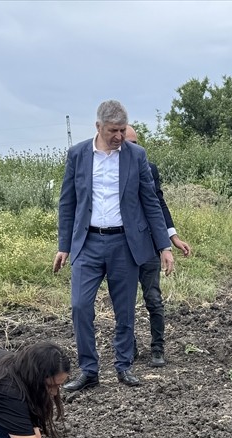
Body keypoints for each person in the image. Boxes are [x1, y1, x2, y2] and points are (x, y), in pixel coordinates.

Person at [54, 100, 174, 391]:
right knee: (80, 306)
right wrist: (64, 245)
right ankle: (89, 370)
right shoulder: (78, 155)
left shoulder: (136, 155)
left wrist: (164, 246)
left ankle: (123, 366)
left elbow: (151, 202)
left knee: (125, 310)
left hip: (125, 242)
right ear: (99, 127)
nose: (119, 136)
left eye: (122, 130)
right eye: (113, 131)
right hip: (88, 242)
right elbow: (67, 202)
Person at [124, 125, 192, 368]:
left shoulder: (148, 169)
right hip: (121, 248)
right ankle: (127, 347)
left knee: (153, 297)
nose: (132, 148)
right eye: (127, 143)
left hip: (148, 245)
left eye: (135, 143)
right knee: (124, 300)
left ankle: (157, 348)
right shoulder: (109, 170)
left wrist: (171, 237)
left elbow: (158, 203)